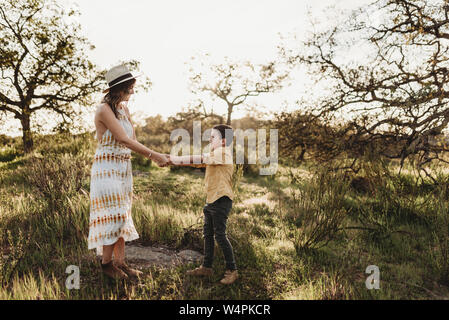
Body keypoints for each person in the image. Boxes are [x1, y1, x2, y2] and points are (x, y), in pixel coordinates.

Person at [88, 64, 169, 280]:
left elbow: (132, 140)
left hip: (124, 167)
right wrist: (155, 156)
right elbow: (122, 139)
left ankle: (121, 263)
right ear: (120, 88)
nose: (133, 91)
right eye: (130, 87)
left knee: (123, 214)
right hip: (107, 168)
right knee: (112, 216)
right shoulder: (103, 109)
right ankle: (106, 264)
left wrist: (158, 155)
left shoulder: (123, 109)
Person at [168, 124, 238, 285]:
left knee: (220, 235)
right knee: (208, 234)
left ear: (223, 141)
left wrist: (173, 159)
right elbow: (197, 162)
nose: (209, 139)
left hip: (221, 199)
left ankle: (232, 270)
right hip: (212, 200)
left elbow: (200, 158)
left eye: (213, 137)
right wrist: (173, 161)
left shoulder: (224, 152)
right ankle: (206, 267)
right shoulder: (216, 153)